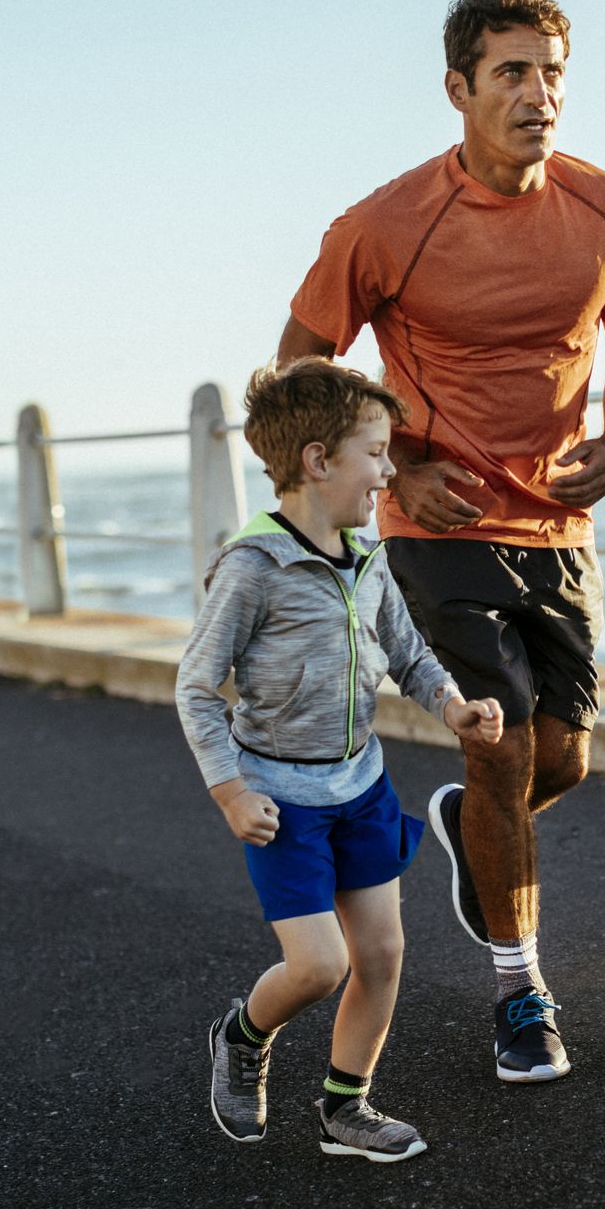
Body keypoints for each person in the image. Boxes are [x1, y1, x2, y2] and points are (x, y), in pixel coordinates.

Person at [276, 0, 605, 1083]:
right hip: (438, 528)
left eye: (551, 72)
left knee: (564, 758)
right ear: (458, 88)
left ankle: (469, 820)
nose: (539, 95)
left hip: (559, 525)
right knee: (500, 748)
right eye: (512, 73)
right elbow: (298, 368)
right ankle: (521, 994)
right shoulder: (387, 223)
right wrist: (398, 462)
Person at [179, 357, 504, 1161]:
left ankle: (344, 1109)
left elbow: (406, 651)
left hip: (359, 785)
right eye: (376, 452)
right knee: (319, 967)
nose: (389, 469)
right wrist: (228, 793)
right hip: (281, 799)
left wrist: (453, 704)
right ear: (318, 461)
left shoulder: (368, 554)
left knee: (384, 954)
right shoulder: (253, 569)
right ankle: (243, 1034)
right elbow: (194, 688)